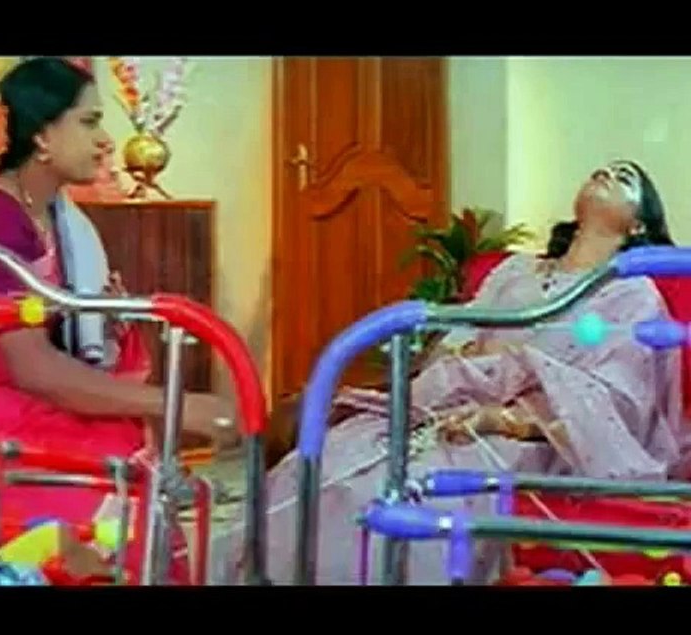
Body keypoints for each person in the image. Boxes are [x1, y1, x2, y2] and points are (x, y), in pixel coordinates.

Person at [211, 160, 691, 585]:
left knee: (399, 490)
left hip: (531, 435)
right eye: (606, 168)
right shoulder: (515, 271)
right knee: (328, 459)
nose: (608, 172)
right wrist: (456, 366)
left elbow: (616, 398)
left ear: (638, 225)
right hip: (443, 406)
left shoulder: (633, 295)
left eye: (625, 178)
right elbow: (460, 332)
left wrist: (501, 418)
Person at [0, 57, 234, 582]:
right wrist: (180, 406)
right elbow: (35, 370)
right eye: (89, 122)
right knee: (110, 471)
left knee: (116, 444)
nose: (106, 141)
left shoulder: (50, 215)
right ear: (42, 136)